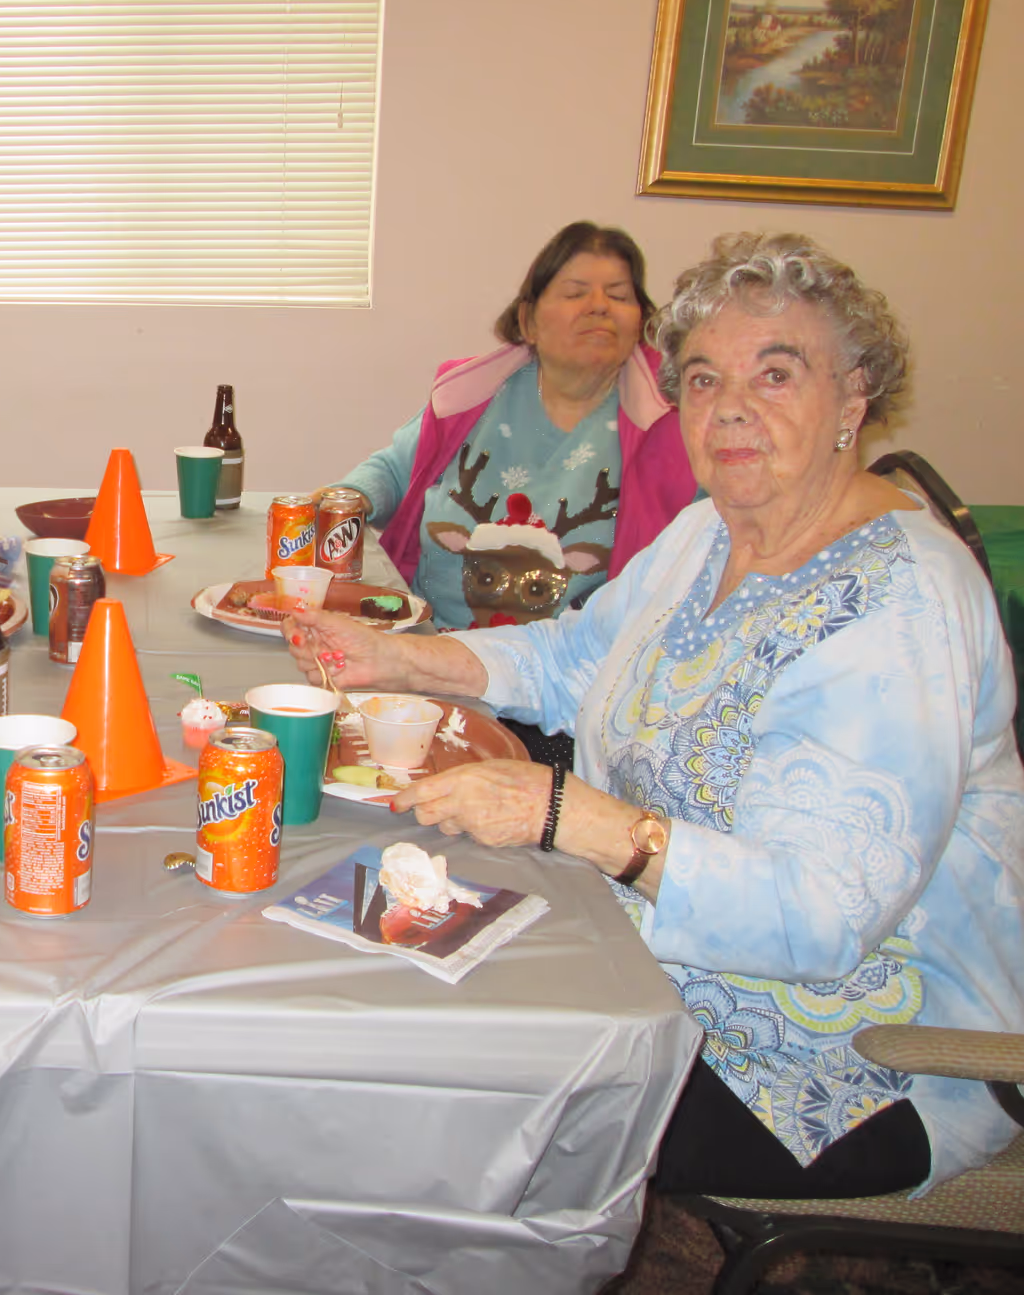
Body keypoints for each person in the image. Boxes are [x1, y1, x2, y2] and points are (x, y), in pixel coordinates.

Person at [289, 233, 1024, 1199]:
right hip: (643, 942)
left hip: (844, 1051)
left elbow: (823, 917)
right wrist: (400, 656)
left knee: (447, 1096)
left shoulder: (899, 604)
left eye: (777, 373)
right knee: (370, 950)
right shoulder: (709, 528)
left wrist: (566, 815)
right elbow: (572, 655)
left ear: (854, 399)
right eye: (705, 379)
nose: (732, 411)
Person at [324, 221, 696, 635]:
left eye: (619, 295)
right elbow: (394, 470)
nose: (599, 306)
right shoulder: (472, 395)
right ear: (529, 320)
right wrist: (342, 501)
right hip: (430, 640)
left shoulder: (673, 423)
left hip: (567, 673)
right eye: (575, 293)